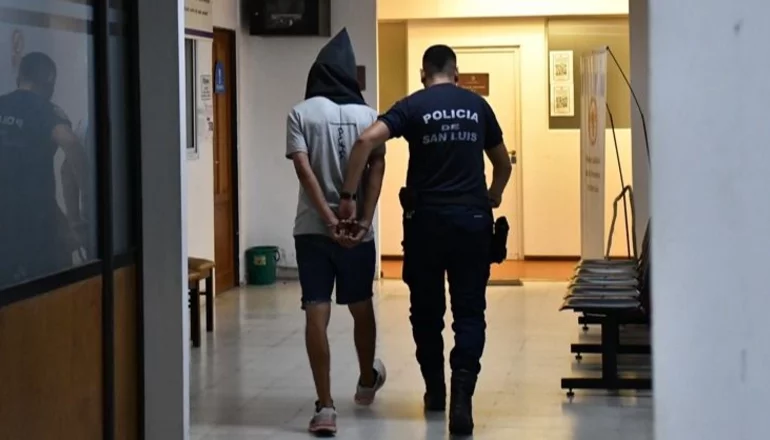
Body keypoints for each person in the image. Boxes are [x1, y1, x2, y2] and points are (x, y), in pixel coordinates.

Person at [338, 44, 513, 436]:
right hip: (471, 224)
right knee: (470, 313)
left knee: (426, 313)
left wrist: (349, 196)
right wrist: (492, 195)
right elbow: (503, 163)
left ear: (423, 74)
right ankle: (462, 401)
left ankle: (436, 390)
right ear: (457, 73)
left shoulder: (413, 106)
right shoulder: (478, 106)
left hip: (426, 226)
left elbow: (366, 141)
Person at [285, 29, 387, 436]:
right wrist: (363, 219)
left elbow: (302, 167)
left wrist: (327, 219)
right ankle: (366, 382)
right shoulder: (370, 116)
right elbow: (377, 167)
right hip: (358, 234)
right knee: (361, 306)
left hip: (312, 230)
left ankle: (325, 407)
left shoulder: (300, 113)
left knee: (316, 311)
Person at [0, 52, 89, 288]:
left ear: (19, 78)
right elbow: (70, 142)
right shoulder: (46, 110)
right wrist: (90, 195)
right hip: (35, 233)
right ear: (50, 82)